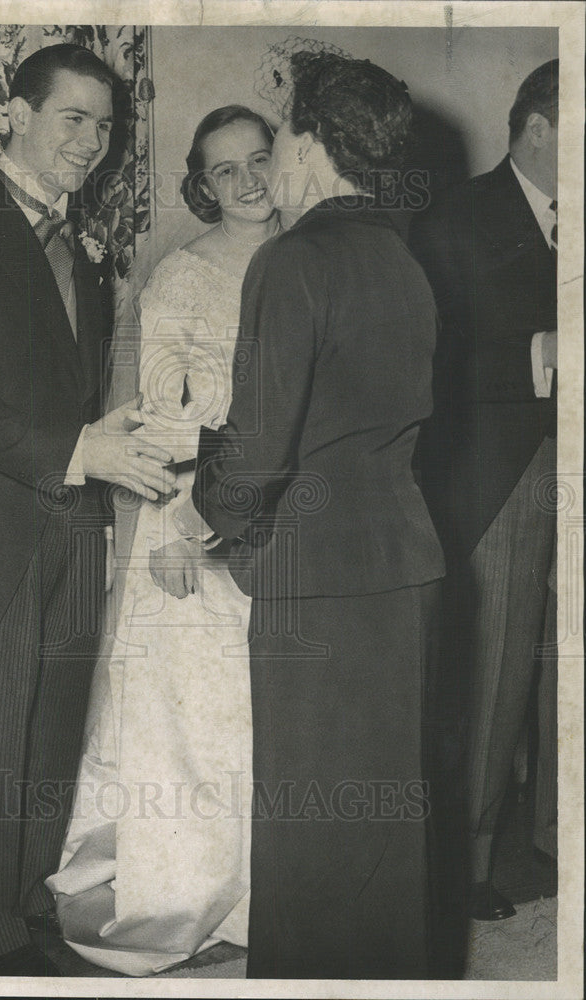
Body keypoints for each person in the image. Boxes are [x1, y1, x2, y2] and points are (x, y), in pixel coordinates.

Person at [0, 44, 175, 975]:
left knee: (52, 732)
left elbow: (52, 390)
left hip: (68, 524)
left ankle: (22, 911)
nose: (92, 143)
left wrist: (102, 426)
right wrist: (74, 447)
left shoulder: (77, 242)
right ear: (11, 115)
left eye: (104, 125)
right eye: (72, 119)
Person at [183, 52, 446, 979]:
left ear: (314, 144)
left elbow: (257, 453)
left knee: (308, 829)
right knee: (381, 821)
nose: (277, 147)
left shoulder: (293, 261)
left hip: (317, 580)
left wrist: (196, 510)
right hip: (406, 568)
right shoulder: (401, 259)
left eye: (285, 129)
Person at [46, 105, 280, 975]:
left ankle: (266, 888)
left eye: (260, 159)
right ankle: (191, 887)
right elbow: (158, 416)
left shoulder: (313, 257)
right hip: (191, 525)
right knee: (196, 716)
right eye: (225, 170)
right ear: (200, 185)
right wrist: (182, 526)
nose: (248, 181)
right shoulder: (181, 279)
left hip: (290, 519)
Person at [410, 60, 558, 921]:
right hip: (502, 470)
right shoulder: (455, 218)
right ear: (538, 128)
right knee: (496, 667)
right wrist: (540, 355)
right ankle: (462, 862)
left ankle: (551, 836)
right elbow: (427, 362)